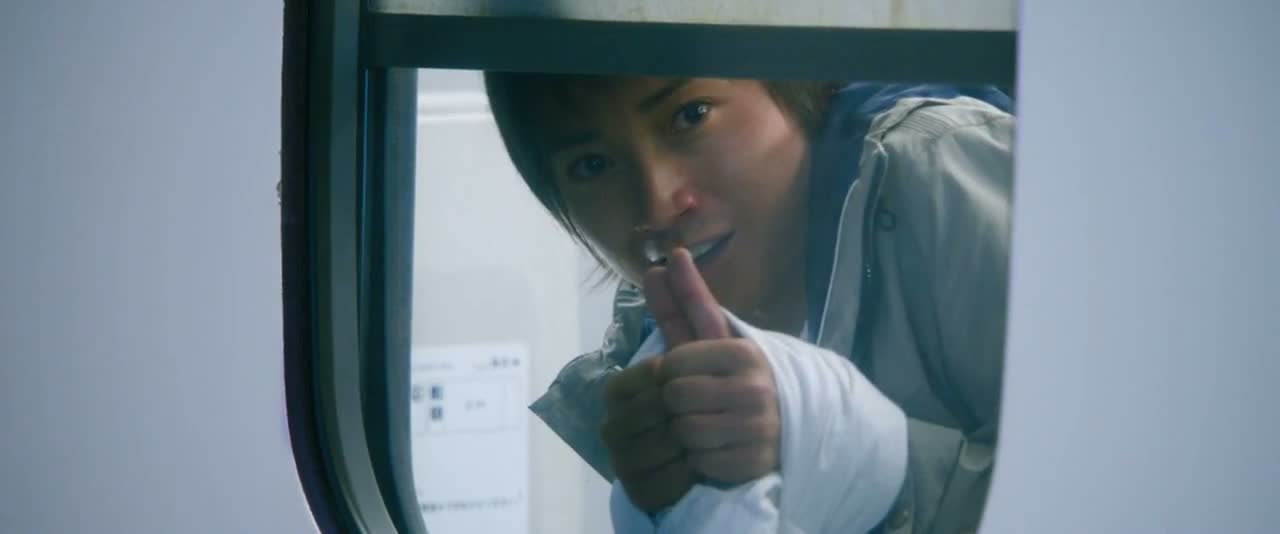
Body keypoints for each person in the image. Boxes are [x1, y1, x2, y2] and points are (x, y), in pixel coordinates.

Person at [483, 74, 1014, 533]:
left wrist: (866, 462)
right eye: (592, 164)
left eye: (691, 116)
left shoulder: (941, 171)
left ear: (795, 83)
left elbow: (1066, 493)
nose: (658, 204)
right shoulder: (645, 351)